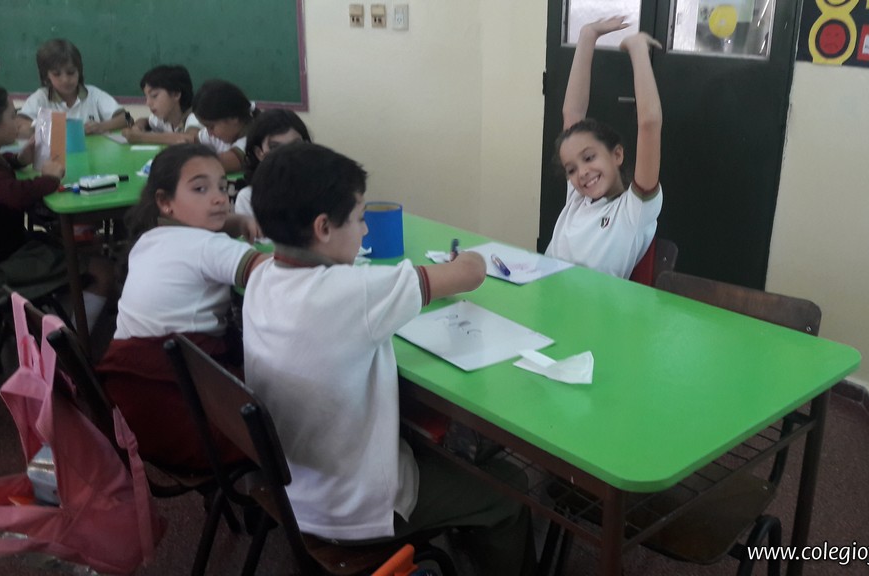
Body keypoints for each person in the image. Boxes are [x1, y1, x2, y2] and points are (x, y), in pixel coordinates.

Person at [243, 143, 536, 576]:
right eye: (359, 218)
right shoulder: (357, 292)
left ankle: (463, 533)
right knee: (510, 490)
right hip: (357, 510)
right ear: (323, 227)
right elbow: (470, 274)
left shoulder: (262, 277)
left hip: (291, 486)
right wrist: (467, 257)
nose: (365, 231)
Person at [96, 143, 266, 470]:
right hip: (187, 421)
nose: (219, 199)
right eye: (200, 189)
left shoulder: (149, 238)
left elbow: (196, 238)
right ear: (165, 202)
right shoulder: (210, 247)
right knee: (289, 402)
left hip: (132, 411)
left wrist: (232, 222)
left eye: (223, 187)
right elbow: (274, 275)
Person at [544, 17, 664, 279]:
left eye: (589, 157)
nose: (582, 172)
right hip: (545, 292)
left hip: (588, 304)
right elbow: (572, 113)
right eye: (571, 169)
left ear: (617, 154)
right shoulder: (577, 198)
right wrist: (588, 35)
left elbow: (649, 124)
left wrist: (638, 49)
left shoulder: (633, 211)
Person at [0, 85, 112, 328]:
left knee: (75, 243)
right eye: (12, 115)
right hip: (5, 265)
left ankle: (55, 318)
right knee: (102, 270)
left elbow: (2, 174)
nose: (17, 121)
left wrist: (18, 160)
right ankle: (71, 346)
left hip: (11, 246)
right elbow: (15, 195)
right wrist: (49, 178)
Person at [16, 39, 127, 137]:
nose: (65, 80)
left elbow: (127, 118)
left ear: (79, 71)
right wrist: (49, 126)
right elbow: (19, 123)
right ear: (46, 76)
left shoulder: (93, 94)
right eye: (56, 74)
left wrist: (101, 126)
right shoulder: (41, 97)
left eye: (71, 72)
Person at [233, 108, 311, 225]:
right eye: (275, 148)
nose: (288, 154)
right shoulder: (248, 197)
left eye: (295, 145)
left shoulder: (322, 187)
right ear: (259, 153)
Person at [121, 65, 201, 145]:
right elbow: (145, 120)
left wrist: (140, 137)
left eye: (154, 96)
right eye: (146, 97)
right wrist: (137, 127)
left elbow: (190, 138)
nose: (148, 103)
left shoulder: (195, 116)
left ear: (176, 94)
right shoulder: (165, 118)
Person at [191, 79, 258, 174]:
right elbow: (191, 141)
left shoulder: (255, 138)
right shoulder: (225, 132)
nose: (209, 133)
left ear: (233, 117)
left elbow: (226, 161)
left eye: (211, 127)